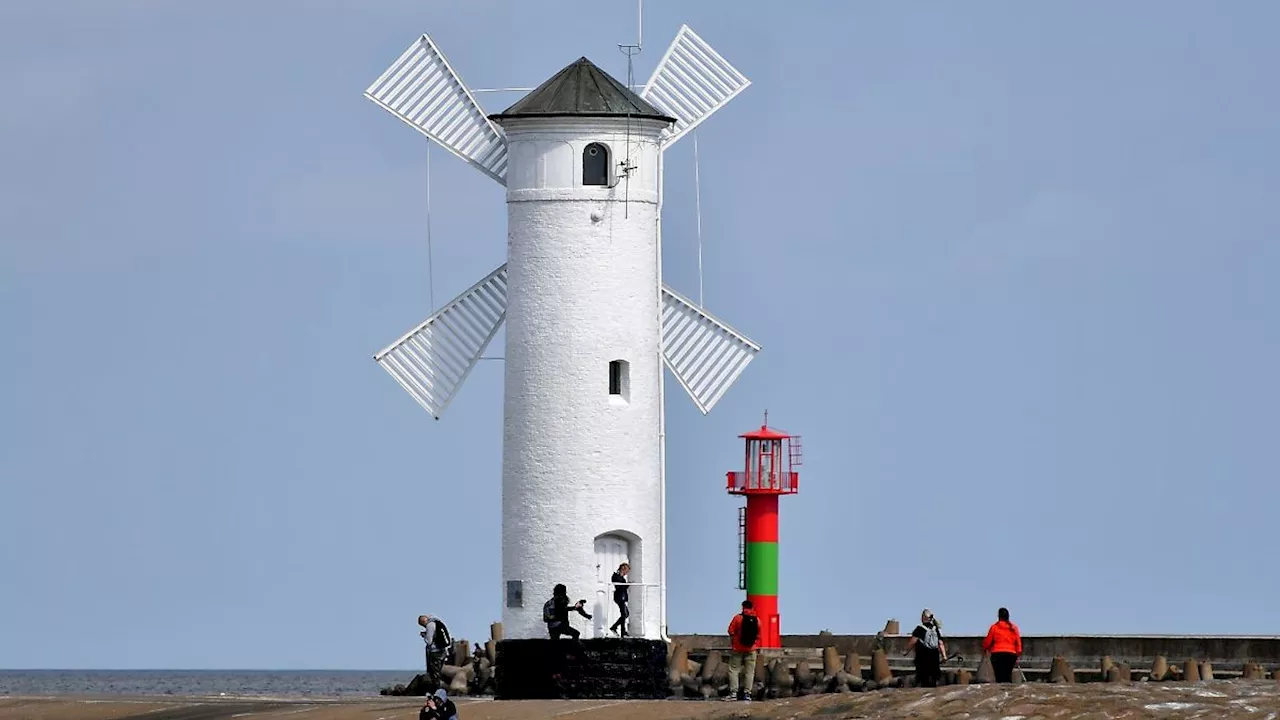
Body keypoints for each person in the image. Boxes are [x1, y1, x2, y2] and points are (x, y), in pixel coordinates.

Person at [724, 600, 760, 701]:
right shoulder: (757, 620)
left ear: (742, 607)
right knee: (750, 672)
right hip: (751, 650)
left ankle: (734, 693)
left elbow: (730, 631)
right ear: (752, 607)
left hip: (737, 649)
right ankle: (747, 694)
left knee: (734, 670)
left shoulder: (737, 618)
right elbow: (758, 636)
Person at [903, 608, 947, 688]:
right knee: (934, 677)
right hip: (934, 656)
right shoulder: (935, 629)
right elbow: (940, 643)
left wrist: (906, 652)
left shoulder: (920, 628)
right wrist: (944, 656)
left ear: (923, 617)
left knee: (923, 678)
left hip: (923, 656)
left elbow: (913, 641)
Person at [982, 607, 1022, 683]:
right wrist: (1017, 654)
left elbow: (987, 642)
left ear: (999, 616)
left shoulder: (994, 627)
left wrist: (985, 649)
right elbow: (1018, 644)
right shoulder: (1014, 628)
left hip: (997, 654)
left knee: (999, 676)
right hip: (1011, 655)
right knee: (1008, 675)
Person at [418, 614, 453, 685]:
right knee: (438, 672)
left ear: (424, 621)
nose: (424, 626)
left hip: (436, 652)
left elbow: (429, 641)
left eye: (423, 625)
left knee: (434, 673)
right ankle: (439, 690)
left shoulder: (430, 625)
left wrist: (424, 636)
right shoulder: (437, 622)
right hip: (443, 650)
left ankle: (437, 691)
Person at [609, 563, 631, 637]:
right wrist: (627, 585)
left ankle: (618, 629)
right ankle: (619, 630)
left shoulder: (621, 577)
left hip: (622, 597)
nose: (626, 573)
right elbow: (618, 586)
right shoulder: (616, 576)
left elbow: (623, 587)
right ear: (623, 569)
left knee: (626, 614)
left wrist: (627, 584)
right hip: (619, 597)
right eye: (626, 571)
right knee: (624, 614)